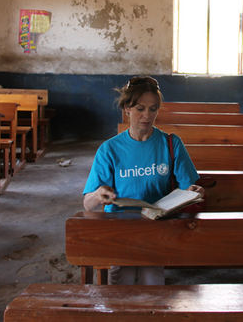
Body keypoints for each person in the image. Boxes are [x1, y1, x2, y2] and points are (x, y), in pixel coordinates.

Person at [82, 75, 204, 285]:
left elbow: (189, 189)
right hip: (121, 233)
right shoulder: (109, 150)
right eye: (140, 108)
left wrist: (194, 192)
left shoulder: (171, 143)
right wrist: (98, 195)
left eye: (153, 108)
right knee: (122, 285)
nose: (147, 115)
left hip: (156, 231)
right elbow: (87, 204)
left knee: (153, 285)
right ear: (127, 109)